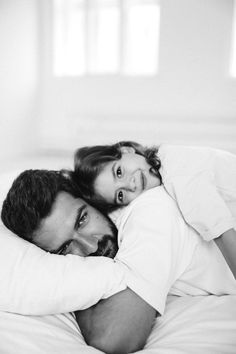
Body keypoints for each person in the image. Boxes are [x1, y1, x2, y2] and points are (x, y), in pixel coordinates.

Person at [2, 169, 236, 353]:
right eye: (65, 248)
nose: (91, 246)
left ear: (89, 198)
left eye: (82, 220)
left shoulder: (150, 213)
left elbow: (114, 339)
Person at [74, 141, 236, 277]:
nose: (130, 185)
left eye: (119, 172)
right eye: (120, 195)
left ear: (126, 150)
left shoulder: (178, 172)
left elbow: (222, 232)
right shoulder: (163, 166)